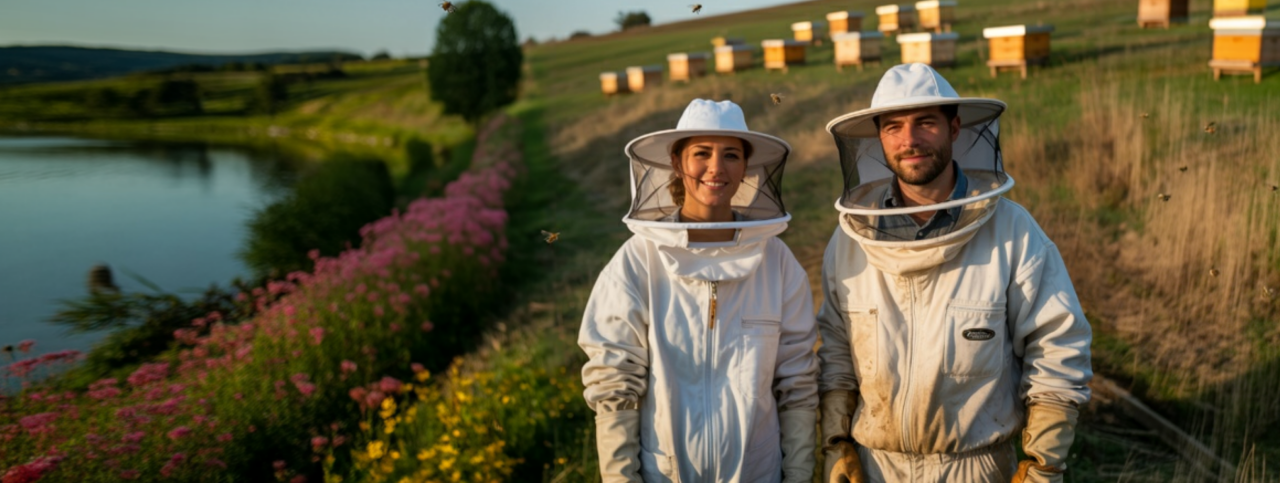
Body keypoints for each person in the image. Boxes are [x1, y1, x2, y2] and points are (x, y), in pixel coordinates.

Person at [815, 63, 1093, 483]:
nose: (909, 140)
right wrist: (836, 444)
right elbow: (836, 351)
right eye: (894, 127)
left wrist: (1043, 462)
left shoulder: (1013, 233)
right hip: (876, 468)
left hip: (976, 467)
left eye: (925, 123)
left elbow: (1058, 345)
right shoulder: (850, 243)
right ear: (879, 139)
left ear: (955, 128)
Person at [578, 99, 819, 482]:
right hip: (666, 473)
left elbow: (798, 381)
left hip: (758, 473)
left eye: (731, 155)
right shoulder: (638, 260)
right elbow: (613, 379)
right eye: (701, 154)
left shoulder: (777, 261)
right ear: (677, 163)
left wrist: (800, 472)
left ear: (746, 167)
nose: (716, 168)